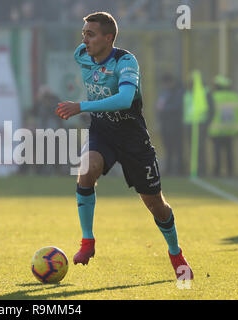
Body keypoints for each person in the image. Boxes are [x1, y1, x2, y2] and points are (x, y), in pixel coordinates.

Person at [54, 12, 193, 280]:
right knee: (86, 169)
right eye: (83, 33)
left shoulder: (126, 61)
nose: (84, 40)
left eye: (91, 34)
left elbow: (125, 99)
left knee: (155, 204)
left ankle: (175, 253)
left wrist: (80, 106)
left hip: (132, 138)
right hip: (102, 132)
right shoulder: (81, 54)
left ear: (109, 38)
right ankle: (87, 242)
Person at [207, 75, 238, 177]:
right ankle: (230, 171)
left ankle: (217, 171)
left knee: (217, 151)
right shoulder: (235, 96)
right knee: (229, 151)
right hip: (231, 129)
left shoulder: (213, 96)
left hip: (216, 129)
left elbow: (210, 113)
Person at [156, 73, 185, 175]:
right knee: (168, 148)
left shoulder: (178, 92)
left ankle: (180, 169)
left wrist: (164, 109)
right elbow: (159, 107)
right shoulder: (164, 93)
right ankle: (169, 169)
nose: (165, 86)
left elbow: (177, 107)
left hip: (176, 125)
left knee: (177, 148)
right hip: (165, 125)